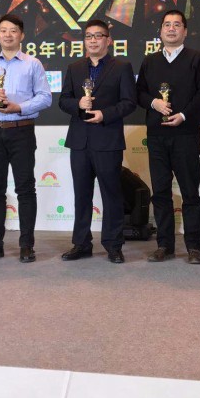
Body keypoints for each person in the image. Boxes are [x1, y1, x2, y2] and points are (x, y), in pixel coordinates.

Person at [0, 14, 52, 263]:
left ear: (22, 35)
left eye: (13, 30)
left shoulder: (33, 64)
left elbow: (45, 97)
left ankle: (27, 245)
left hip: (21, 130)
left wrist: (19, 107)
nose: (8, 35)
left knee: (25, 188)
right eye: (3, 30)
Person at [136, 10, 200, 264]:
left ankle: (193, 247)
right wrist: (154, 103)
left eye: (177, 25)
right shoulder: (150, 61)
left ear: (185, 31)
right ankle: (164, 245)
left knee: (190, 192)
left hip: (185, 134)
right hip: (157, 136)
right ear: (160, 31)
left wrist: (183, 114)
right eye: (167, 24)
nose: (171, 29)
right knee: (160, 192)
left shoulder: (197, 58)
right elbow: (139, 93)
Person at [58, 20, 137, 263]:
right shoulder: (74, 68)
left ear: (108, 40)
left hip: (107, 139)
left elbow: (129, 102)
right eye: (88, 36)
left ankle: (113, 245)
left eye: (98, 36)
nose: (93, 40)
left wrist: (105, 114)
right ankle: (81, 243)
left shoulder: (121, 67)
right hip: (80, 141)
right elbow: (63, 100)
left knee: (111, 194)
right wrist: (78, 104)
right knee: (81, 195)